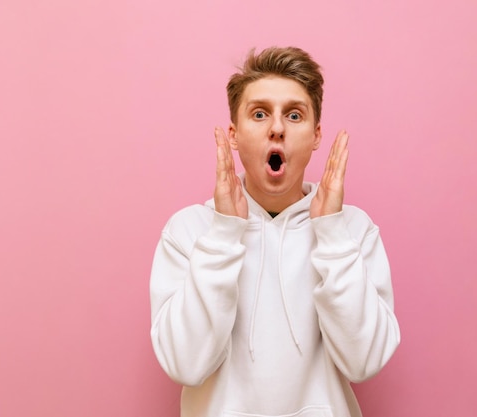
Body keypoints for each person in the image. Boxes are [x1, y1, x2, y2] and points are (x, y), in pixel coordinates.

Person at [149, 46, 400, 417]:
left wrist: (330, 233)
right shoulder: (188, 231)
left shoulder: (353, 230)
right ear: (234, 135)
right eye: (260, 113)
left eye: (294, 115)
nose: (277, 128)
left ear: (316, 135)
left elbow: (364, 360)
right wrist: (223, 234)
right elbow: (184, 364)